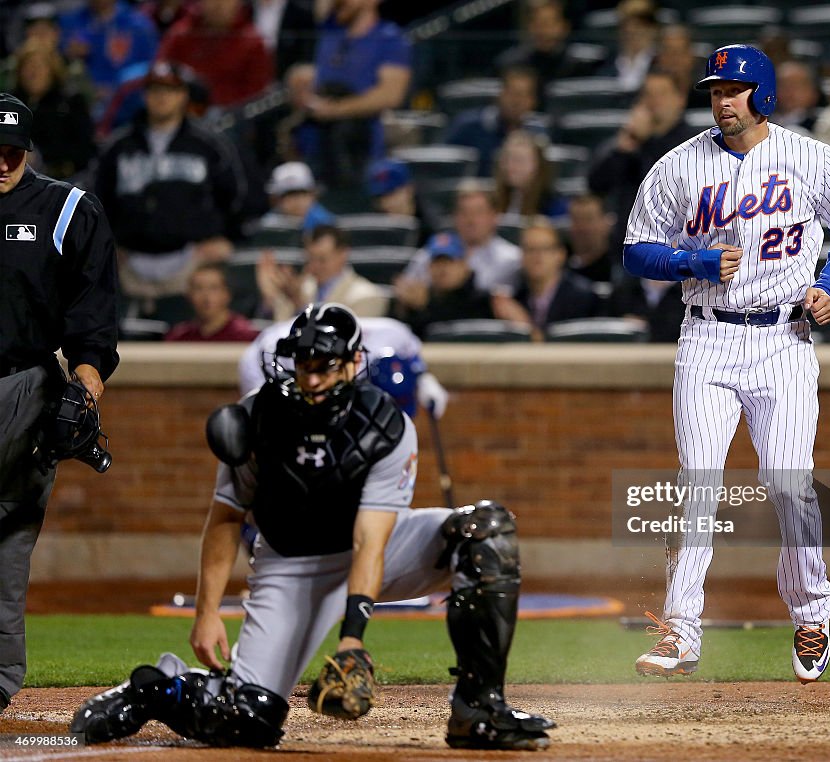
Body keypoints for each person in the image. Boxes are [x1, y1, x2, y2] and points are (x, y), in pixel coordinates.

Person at [71, 303, 555, 750]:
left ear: (353, 362)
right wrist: (207, 612)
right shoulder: (255, 415)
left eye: (324, 366)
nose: (312, 378)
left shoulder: (385, 424)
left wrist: (352, 640)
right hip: (291, 564)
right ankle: (158, 687)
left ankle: (479, 711)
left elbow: (371, 539)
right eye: (304, 365)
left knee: (485, 531)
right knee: (247, 721)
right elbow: (225, 516)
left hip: (375, 549)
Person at [622, 45, 830, 683]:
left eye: (734, 90)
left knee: (789, 484)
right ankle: (682, 631)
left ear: (762, 95)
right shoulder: (680, 165)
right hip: (707, 338)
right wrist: (693, 263)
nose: (722, 101)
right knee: (698, 485)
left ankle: (811, 612)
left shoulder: (810, 157)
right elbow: (636, 251)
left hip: (785, 339)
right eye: (715, 90)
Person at [0, 92, 119, 715]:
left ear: (28, 149)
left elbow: (94, 323)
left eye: (11, 151)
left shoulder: (65, 208)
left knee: (9, 541)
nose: (1, 162)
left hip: (20, 384)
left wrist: (84, 390)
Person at [93, 60, 248, 301]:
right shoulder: (118, 146)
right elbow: (99, 200)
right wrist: (108, 245)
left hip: (191, 260)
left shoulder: (207, 144)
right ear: (145, 96)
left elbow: (235, 195)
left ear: (183, 96)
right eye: (155, 90)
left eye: (170, 90)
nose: (162, 97)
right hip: (129, 263)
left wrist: (226, 236)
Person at [238, 313, 449, 419]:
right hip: (264, 359)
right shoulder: (276, 347)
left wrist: (424, 379)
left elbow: (413, 358)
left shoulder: (394, 335)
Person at [588, 69, 698, 257]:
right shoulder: (632, 142)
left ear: (680, 99)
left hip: (674, 251)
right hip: (630, 248)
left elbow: (662, 187)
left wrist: (643, 141)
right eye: (648, 94)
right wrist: (623, 148)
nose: (653, 102)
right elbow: (596, 185)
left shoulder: (694, 144)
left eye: (661, 94)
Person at [308, 0, 412, 185]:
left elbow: (391, 95)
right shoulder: (331, 34)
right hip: (320, 149)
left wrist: (335, 109)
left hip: (364, 150)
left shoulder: (389, 38)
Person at [393, 186, 522, 313]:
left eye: (478, 212)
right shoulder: (432, 252)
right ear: (454, 217)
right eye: (464, 212)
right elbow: (406, 288)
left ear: (494, 216)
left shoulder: (512, 259)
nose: (471, 220)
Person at [492, 218, 600, 340]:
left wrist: (524, 326)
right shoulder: (515, 295)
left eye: (544, 249)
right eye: (530, 249)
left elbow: (566, 351)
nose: (537, 256)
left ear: (560, 255)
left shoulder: (582, 298)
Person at [257, 223, 389, 321]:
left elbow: (344, 345)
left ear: (343, 254)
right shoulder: (298, 289)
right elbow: (279, 336)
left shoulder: (367, 296)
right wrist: (270, 297)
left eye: (322, 260)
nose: (314, 266)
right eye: (310, 259)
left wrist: (300, 305)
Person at [157, 0, 274, 108]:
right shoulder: (181, 34)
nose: (218, 5)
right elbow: (161, 73)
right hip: (183, 114)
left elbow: (257, 93)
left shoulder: (252, 41)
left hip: (232, 119)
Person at [9, 39, 96, 181]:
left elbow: (85, 150)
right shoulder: (9, 105)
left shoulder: (70, 104)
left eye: (39, 66)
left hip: (64, 180)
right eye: (28, 66)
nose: (33, 73)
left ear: (52, 70)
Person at [444, 66, 548, 178]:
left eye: (523, 95)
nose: (516, 102)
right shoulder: (467, 127)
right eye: (512, 94)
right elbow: (445, 170)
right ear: (500, 94)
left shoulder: (538, 133)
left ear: (533, 101)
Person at [392, 233, 497, 338]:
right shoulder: (421, 299)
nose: (442, 268)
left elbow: (460, 328)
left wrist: (425, 308)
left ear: (464, 265)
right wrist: (404, 308)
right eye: (437, 262)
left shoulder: (482, 300)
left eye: (449, 261)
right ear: (429, 267)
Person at [164, 263, 261, 342]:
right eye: (198, 288)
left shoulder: (245, 336)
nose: (206, 296)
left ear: (227, 294)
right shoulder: (179, 337)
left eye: (214, 288)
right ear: (189, 295)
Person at [494, 130, 568, 221]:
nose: (510, 166)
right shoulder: (495, 199)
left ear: (537, 165)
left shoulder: (553, 205)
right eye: (506, 159)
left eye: (518, 160)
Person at [566, 193, 618, 283]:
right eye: (576, 219)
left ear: (607, 223)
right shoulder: (559, 266)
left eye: (588, 219)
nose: (581, 227)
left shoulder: (619, 268)